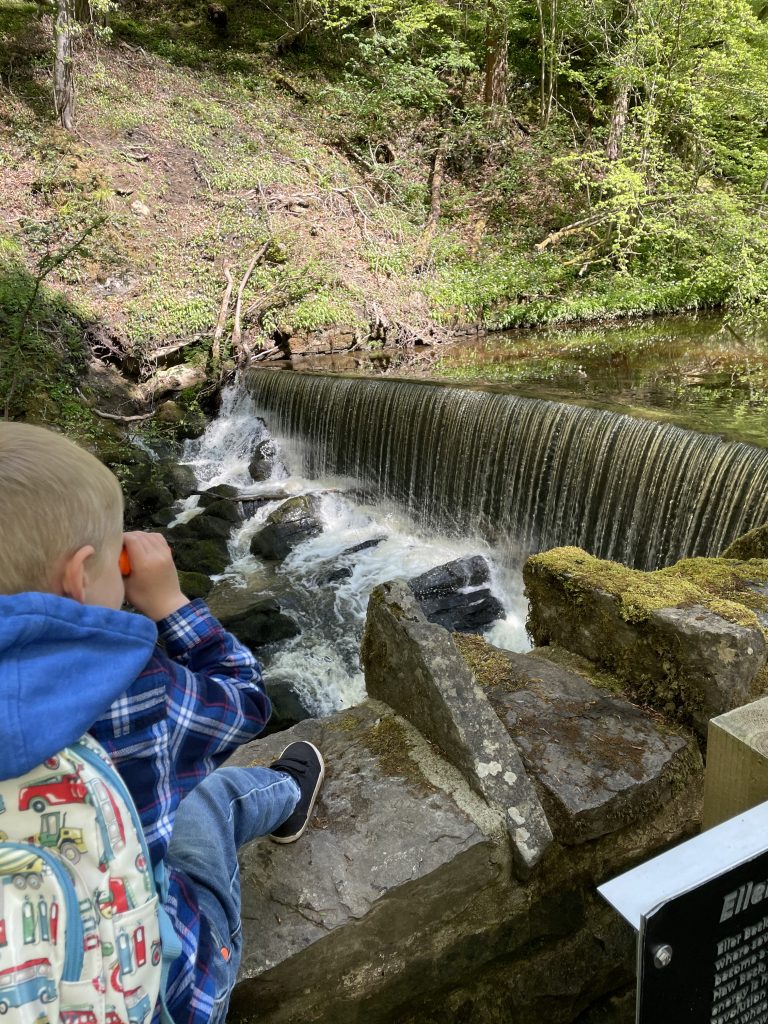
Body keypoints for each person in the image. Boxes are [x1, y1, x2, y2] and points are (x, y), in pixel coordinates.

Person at [0, 421, 324, 1024]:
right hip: (175, 991)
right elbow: (247, 702)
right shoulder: (136, 689)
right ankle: (293, 790)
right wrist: (171, 605)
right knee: (211, 799)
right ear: (80, 575)